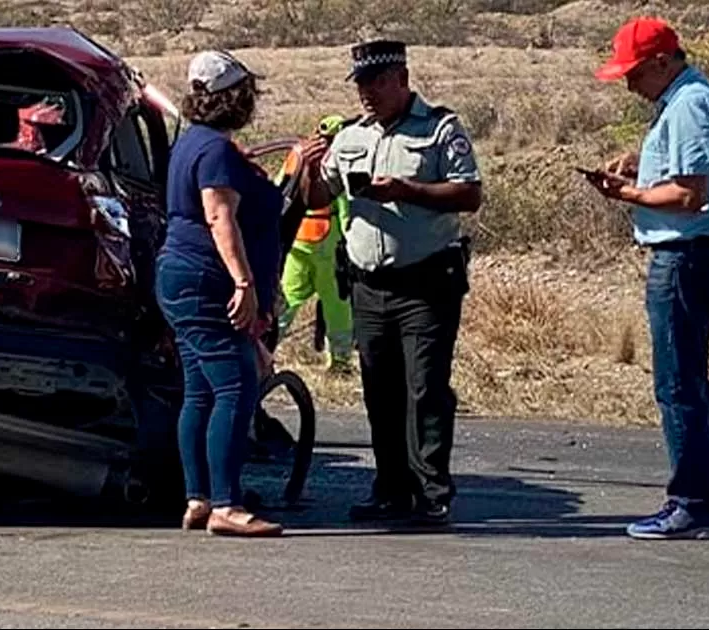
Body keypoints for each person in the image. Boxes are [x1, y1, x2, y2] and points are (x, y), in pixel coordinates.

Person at [297, 40, 483, 524]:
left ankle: (431, 492)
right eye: (360, 84)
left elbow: (469, 193)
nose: (366, 94)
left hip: (426, 283)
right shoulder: (351, 136)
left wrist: (408, 191)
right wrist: (310, 166)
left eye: (375, 83)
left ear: (400, 78)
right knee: (380, 388)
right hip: (368, 285)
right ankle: (390, 487)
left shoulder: (440, 127)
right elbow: (319, 194)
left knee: (425, 389)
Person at [585, 17, 709, 540]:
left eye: (633, 73)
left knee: (678, 386)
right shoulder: (684, 101)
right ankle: (692, 500)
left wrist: (625, 195)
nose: (628, 85)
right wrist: (640, 165)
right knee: (686, 383)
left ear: (660, 62)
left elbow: (689, 195)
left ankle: (691, 504)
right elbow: (680, 176)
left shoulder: (690, 104)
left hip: (685, 256)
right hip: (694, 256)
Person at [154, 49, 283, 537]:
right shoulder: (216, 152)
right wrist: (245, 283)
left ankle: (199, 496)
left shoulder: (193, 144)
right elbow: (219, 216)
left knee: (200, 390)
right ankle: (228, 503)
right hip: (205, 277)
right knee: (235, 385)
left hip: (178, 275)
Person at [274, 114, 355, 373]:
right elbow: (344, 205)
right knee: (337, 306)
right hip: (327, 242)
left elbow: (278, 190)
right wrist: (351, 241)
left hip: (296, 240)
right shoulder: (339, 158)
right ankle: (340, 362)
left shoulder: (296, 155)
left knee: (286, 300)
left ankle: (266, 348)